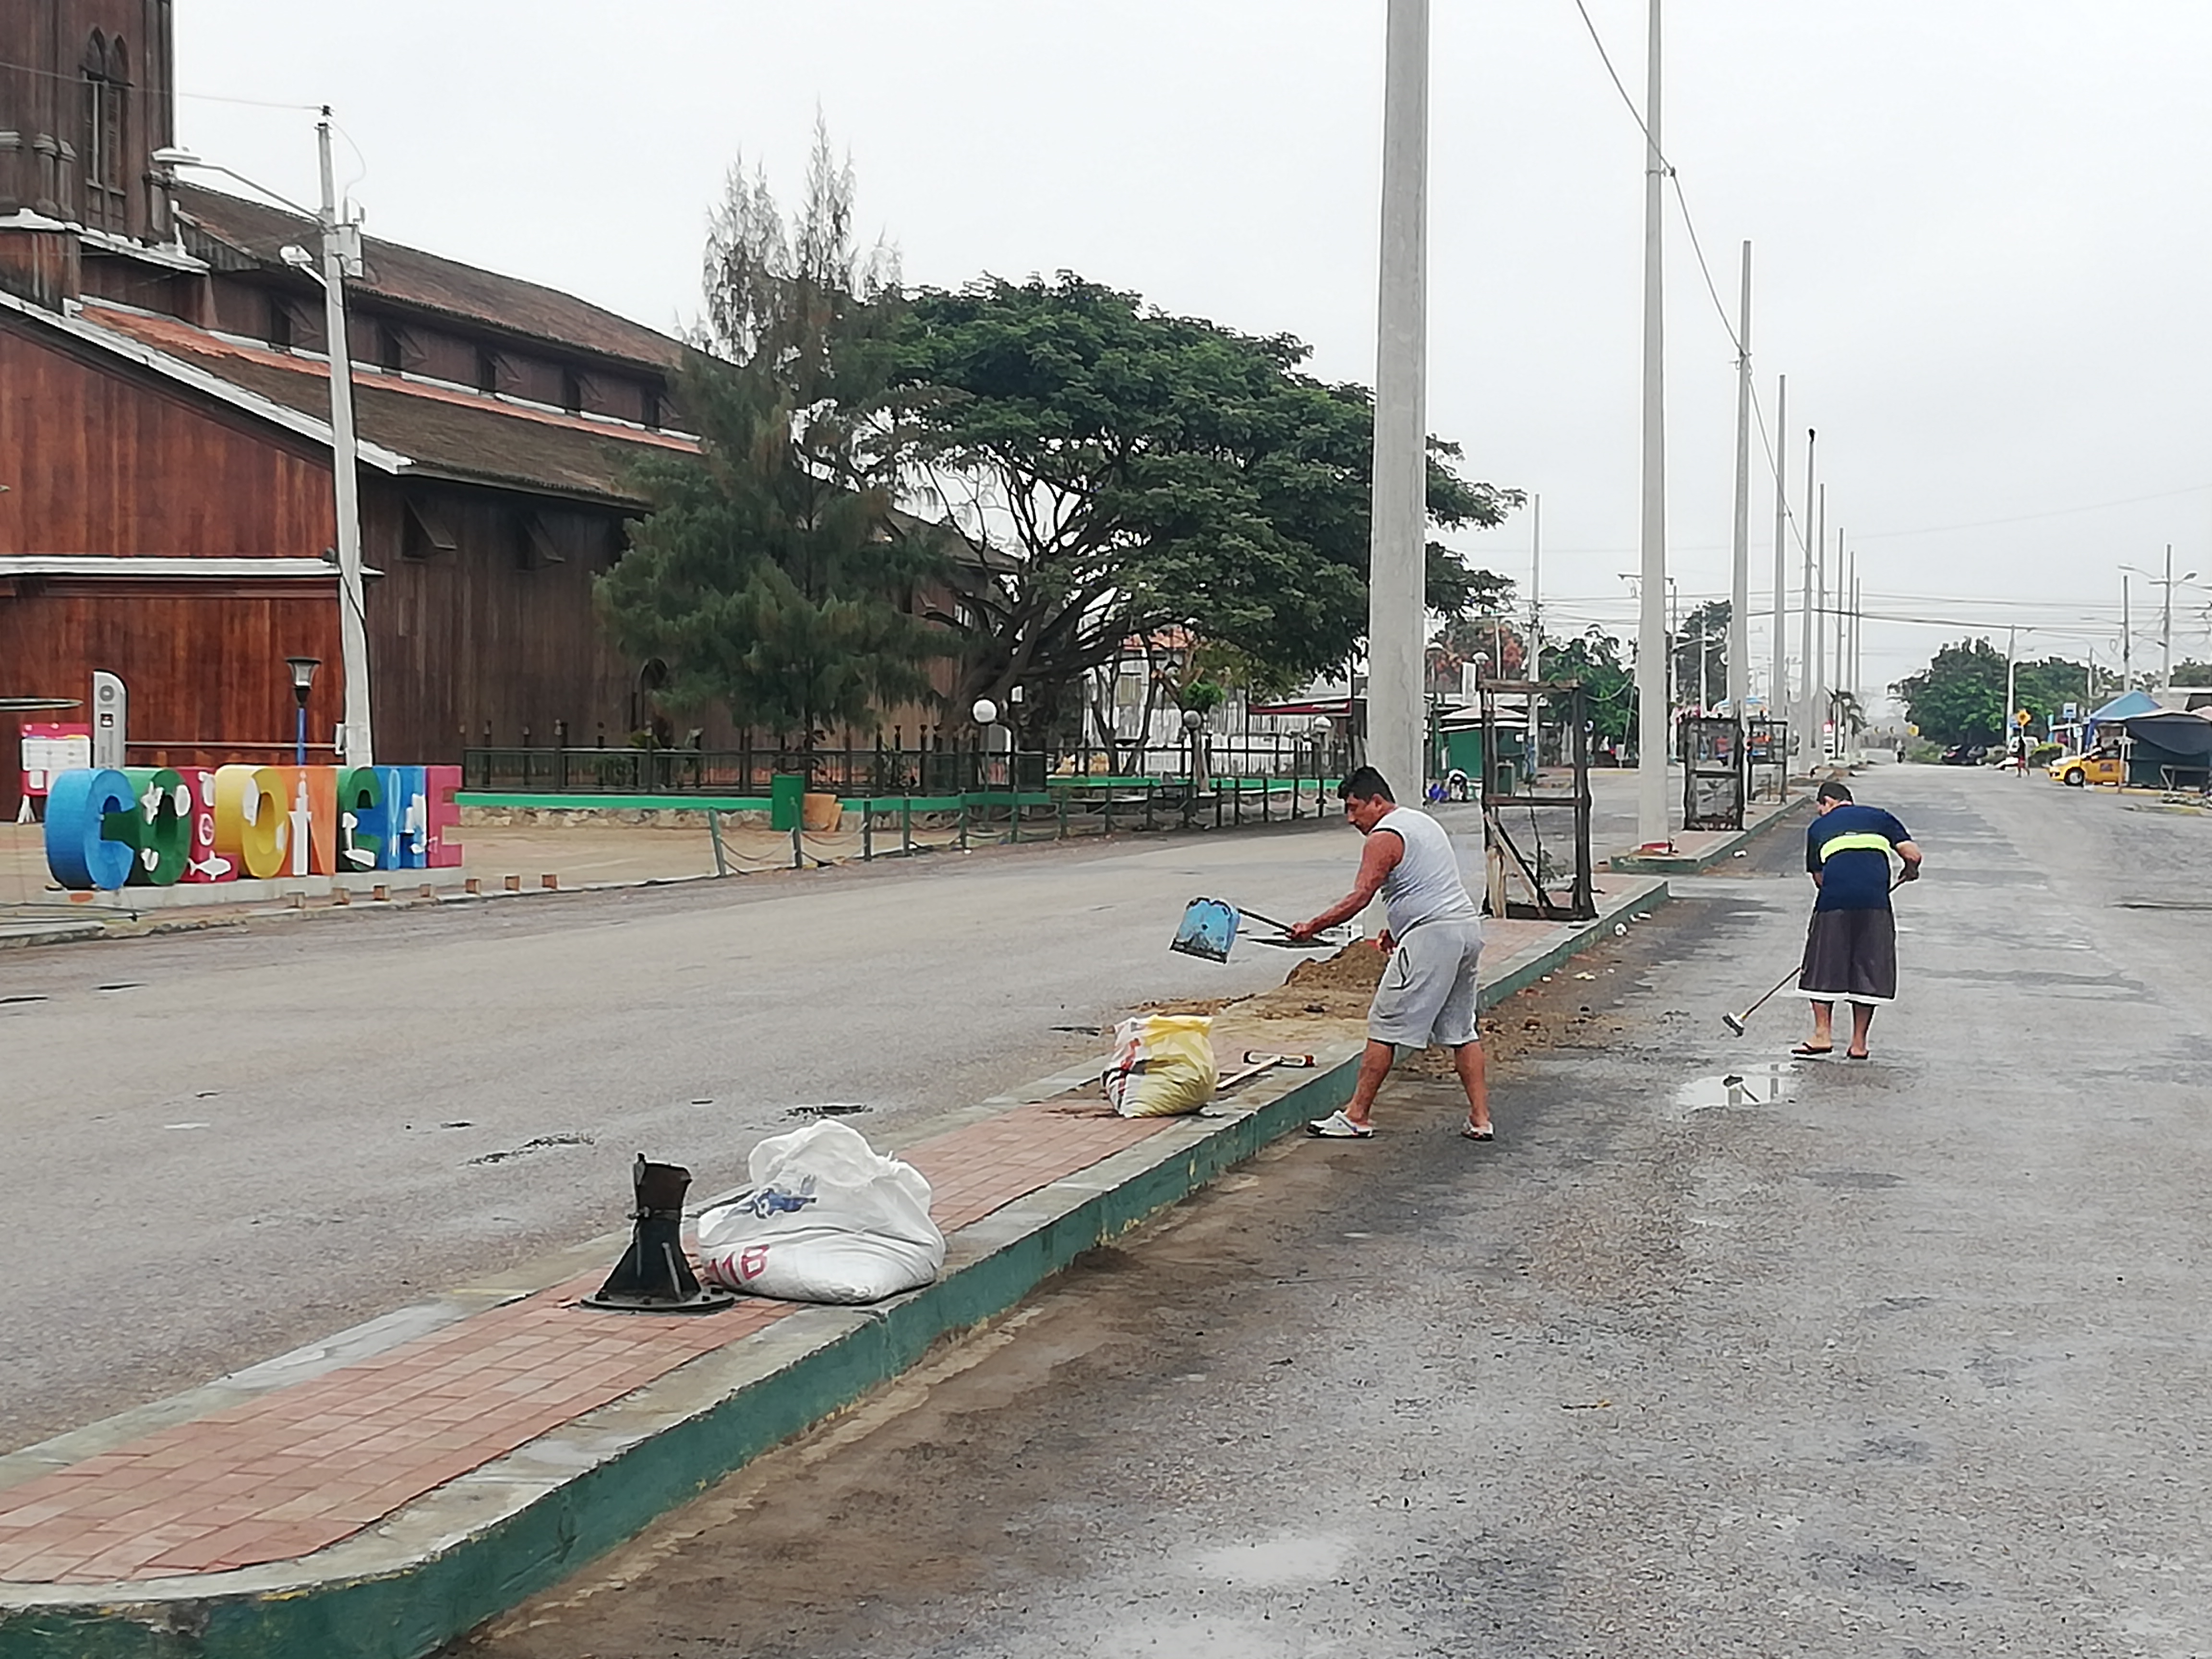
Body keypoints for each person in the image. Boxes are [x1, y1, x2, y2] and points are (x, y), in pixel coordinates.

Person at [1287, 767, 1490, 1141]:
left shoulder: (1383, 836)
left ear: (1377, 802)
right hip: (1464, 930)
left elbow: (1361, 896)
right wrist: (1397, 930)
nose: (1351, 819)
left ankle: (1357, 1115)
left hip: (1432, 938)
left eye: (1354, 808)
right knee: (1462, 1029)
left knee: (1385, 1023)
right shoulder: (1420, 822)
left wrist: (1312, 927)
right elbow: (1427, 885)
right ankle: (1481, 1119)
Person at [1796, 779, 1923, 1059]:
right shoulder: (1881, 818)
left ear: (1828, 802)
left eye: (1821, 808)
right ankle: (1859, 1044)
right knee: (1869, 968)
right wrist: (1909, 870)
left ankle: (1822, 1035)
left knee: (1822, 967)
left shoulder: (1818, 828)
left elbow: (1819, 878)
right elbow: (1913, 855)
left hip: (1833, 903)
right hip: (1875, 904)